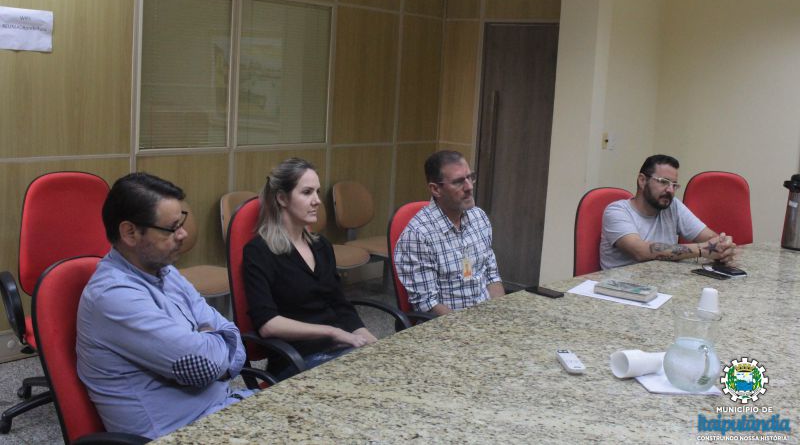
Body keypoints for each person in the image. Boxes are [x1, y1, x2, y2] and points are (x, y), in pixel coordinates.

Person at [77, 173, 253, 440]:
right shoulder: (113, 296)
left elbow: (233, 338)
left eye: (182, 222)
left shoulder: (165, 271)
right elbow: (204, 365)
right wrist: (211, 339)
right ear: (130, 233)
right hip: (181, 433)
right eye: (172, 228)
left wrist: (209, 340)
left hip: (223, 412)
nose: (183, 234)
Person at [242, 158, 377, 378]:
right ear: (282, 198)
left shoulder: (321, 245)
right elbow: (268, 324)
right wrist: (333, 332)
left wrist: (368, 338)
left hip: (338, 348)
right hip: (295, 360)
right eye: (307, 192)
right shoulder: (259, 251)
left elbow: (340, 305)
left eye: (317, 192)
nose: (317, 201)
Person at [394, 150, 504, 316]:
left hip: (485, 319)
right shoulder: (418, 235)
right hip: (448, 325)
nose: (469, 187)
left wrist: (498, 317)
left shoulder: (479, 217)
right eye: (458, 182)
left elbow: (492, 277)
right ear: (436, 189)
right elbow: (428, 304)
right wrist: (471, 327)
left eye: (470, 177)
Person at [600, 154, 736, 269]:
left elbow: (708, 237)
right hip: (619, 287)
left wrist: (723, 246)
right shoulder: (616, 211)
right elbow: (640, 251)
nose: (670, 190)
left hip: (661, 281)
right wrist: (702, 249)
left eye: (674, 185)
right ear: (642, 180)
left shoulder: (672, 206)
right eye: (664, 182)